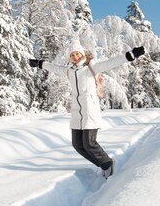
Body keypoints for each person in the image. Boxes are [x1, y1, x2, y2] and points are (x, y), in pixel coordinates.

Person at [29, 40, 145, 179]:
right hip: (77, 112)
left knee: (89, 144)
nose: (75, 57)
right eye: (72, 55)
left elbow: (111, 62)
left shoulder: (91, 68)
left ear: (82, 54)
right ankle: (103, 164)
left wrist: (130, 55)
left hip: (90, 111)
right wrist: (40, 63)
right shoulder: (69, 71)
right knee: (77, 145)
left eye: (77, 54)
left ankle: (107, 164)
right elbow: (54, 68)